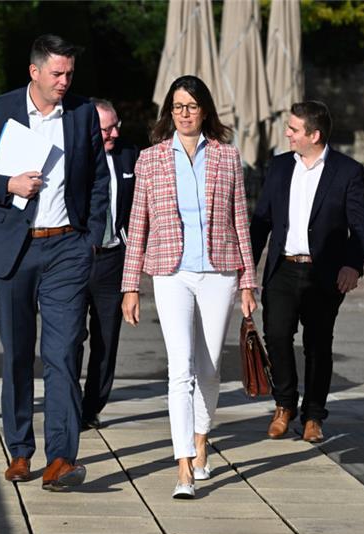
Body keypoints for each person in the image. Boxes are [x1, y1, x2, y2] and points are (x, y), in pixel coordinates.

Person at [0, 34, 109, 491]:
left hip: (67, 248)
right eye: (57, 73)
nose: (64, 81)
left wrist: (91, 239)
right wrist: (9, 185)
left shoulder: (82, 114)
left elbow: (99, 179)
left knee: (62, 354)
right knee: (18, 353)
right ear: (35, 72)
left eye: (69, 74)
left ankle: (62, 457)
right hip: (15, 250)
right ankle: (20, 451)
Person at [121, 75, 257, 500]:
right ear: (169, 112)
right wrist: (130, 286)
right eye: (177, 106)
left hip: (220, 271)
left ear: (205, 111)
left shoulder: (227, 157)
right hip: (170, 271)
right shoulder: (151, 159)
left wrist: (249, 281)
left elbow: (240, 222)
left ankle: (201, 441)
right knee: (180, 369)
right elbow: (137, 223)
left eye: (192, 106)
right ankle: (182, 466)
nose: (184, 113)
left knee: (210, 367)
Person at [250, 100, 364, 444]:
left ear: (313, 135)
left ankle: (314, 416)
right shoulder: (277, 167)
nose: (287, 134)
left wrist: (353, 265)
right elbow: (261, 222)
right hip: (283, 269)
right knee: (276, 336)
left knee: (318, 345)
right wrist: (247, 270)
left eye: (293, 129)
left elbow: (360, 225)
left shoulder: (347, 171)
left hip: (324, 273)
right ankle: (284, 405)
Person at [76, 98, 138, 431]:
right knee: (70, 337)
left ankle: (92, 407)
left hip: (113, 257)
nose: (114, 133)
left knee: (106, 337)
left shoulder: (129, 155)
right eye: (106, 129)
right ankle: (67, 403)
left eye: (116, 125)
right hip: (76, 258)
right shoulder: (74, 156)